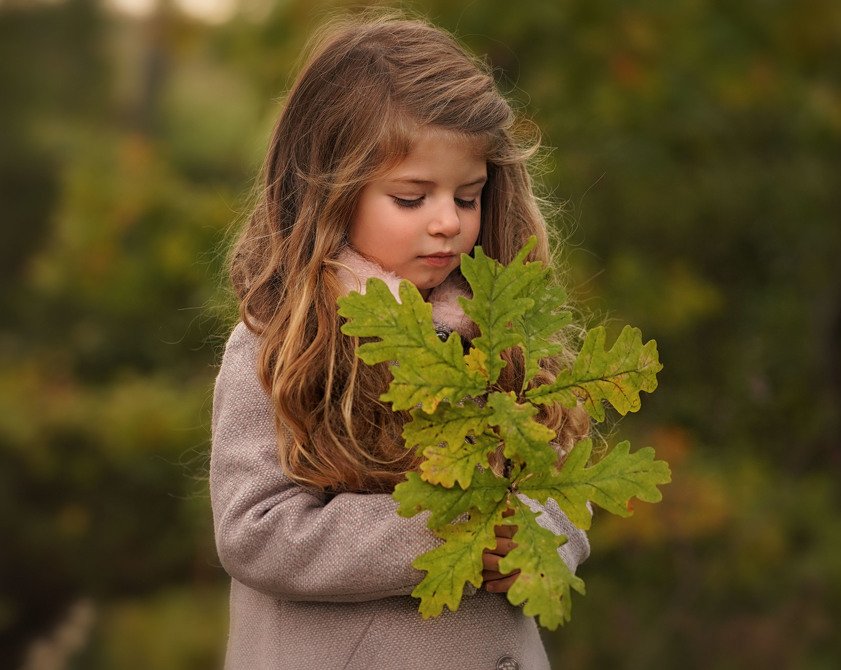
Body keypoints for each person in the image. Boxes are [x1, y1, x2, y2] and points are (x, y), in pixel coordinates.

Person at [211, 13, 590, 670]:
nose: (447, 222)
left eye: (467, 198)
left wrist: (538, 539)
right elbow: (256, 530)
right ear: (329, 193)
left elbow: (563, 485)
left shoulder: (502, 333)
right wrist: (448, 530)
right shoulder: (283, 343)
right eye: (412, 198)